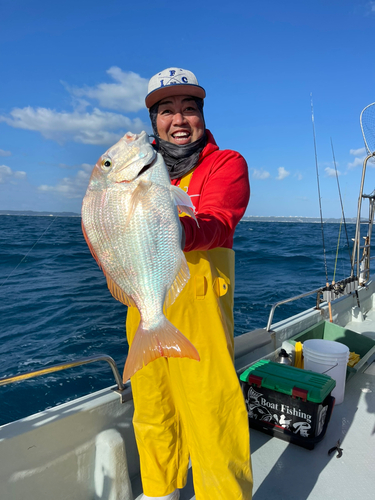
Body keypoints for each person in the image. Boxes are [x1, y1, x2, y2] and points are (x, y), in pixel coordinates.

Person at [125, 68, 253, 500]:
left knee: (212, 411)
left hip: (201, 311)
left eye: (189, 108)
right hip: (146, 308)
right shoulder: (135, 172)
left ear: (201, 116)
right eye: (166, 110)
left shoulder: (225, 163)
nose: (179, 119)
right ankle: (160, 492)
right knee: (152, 407)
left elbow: (219, 219)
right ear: (153, 121)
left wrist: (177, 232)